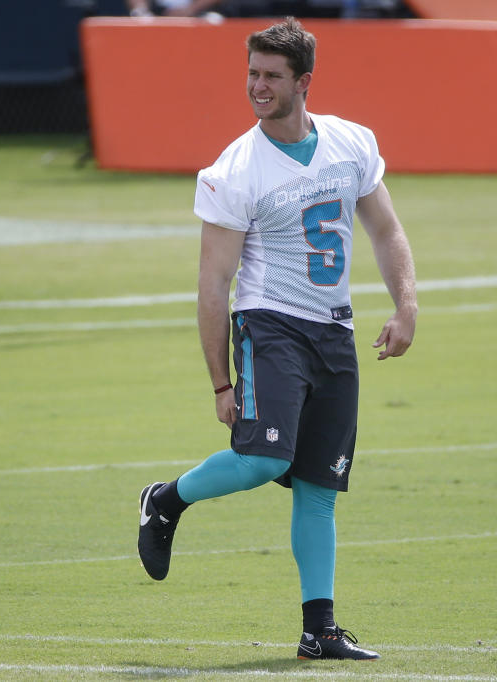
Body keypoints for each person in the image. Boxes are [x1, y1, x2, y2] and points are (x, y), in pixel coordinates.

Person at [137, 17, 417, 661]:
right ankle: (166, 500)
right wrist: (219, 380)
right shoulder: (235, 169)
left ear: (304, 81)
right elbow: (214, 284)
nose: (257, 88)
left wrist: (406, 305)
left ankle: (318, 629)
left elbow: (385, 229)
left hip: (335, 329)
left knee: (320, 486)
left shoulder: (352, 143)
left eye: (271, 76)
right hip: (270, 325)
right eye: (251, 74)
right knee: (263, 459)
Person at [128, 0, 224, 17]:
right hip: (155, 15)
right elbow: (139, 7)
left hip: (199, 14)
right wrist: (141, 11)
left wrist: (190, 9)